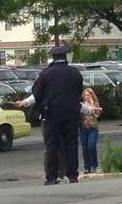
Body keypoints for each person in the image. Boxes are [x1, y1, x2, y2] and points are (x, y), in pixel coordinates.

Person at [31, 45, 84, 185]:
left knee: (52, 146)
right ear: (65, 56)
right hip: (71, 114)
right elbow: (79, 92)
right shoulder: (75, 73)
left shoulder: (45, 74)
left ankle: (51, 176)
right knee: (71, 144)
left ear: (53, 57)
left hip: (51, 115)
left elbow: (36, 94)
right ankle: (72, 175)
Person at [80, 88, 102, 174]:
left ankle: (94, 165)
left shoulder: (95, 104)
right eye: (85, 95)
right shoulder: (81, 105)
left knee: (91, 146)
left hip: (93, 128)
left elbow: (97, 115)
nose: (86, 97)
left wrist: (92, 104)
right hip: (83, 128)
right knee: (85, 148)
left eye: (88, 95)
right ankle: (87, 167)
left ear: (91, 95)